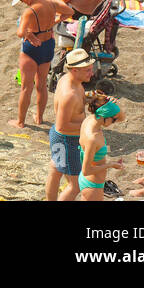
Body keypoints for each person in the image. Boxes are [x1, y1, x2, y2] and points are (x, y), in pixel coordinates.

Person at [11, 0, 66, 129]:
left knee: (26, 87)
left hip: (32, 49)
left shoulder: (29, 11)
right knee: (41, 85)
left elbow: (20, 33)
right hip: (47, 45)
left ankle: (20, 122)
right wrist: (54, 22)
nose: (22, 2)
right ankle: (39, 118)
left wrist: (28, 35)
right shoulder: (50, 3)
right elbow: (69, 12)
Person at [47, 48, 93, 201]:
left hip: (59, 138)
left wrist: (94, 98)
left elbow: (78, 102)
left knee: (55, 170)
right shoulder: (69, 94)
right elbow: (62, 126)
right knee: (76, 185)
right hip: (68, 141)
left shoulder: (68, 79)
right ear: (74, 70)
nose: (91, 73)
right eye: (87, 70)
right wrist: (89, 124)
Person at [78, 95, 125, 201]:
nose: (114, 122)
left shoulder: (90, 119)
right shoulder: (92, 138)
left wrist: (114, 104)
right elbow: (87, 170)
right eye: (113, 120)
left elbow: (121, 117)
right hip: (92, 185)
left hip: (89, 182)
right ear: (105, 116)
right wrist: (110, 165)